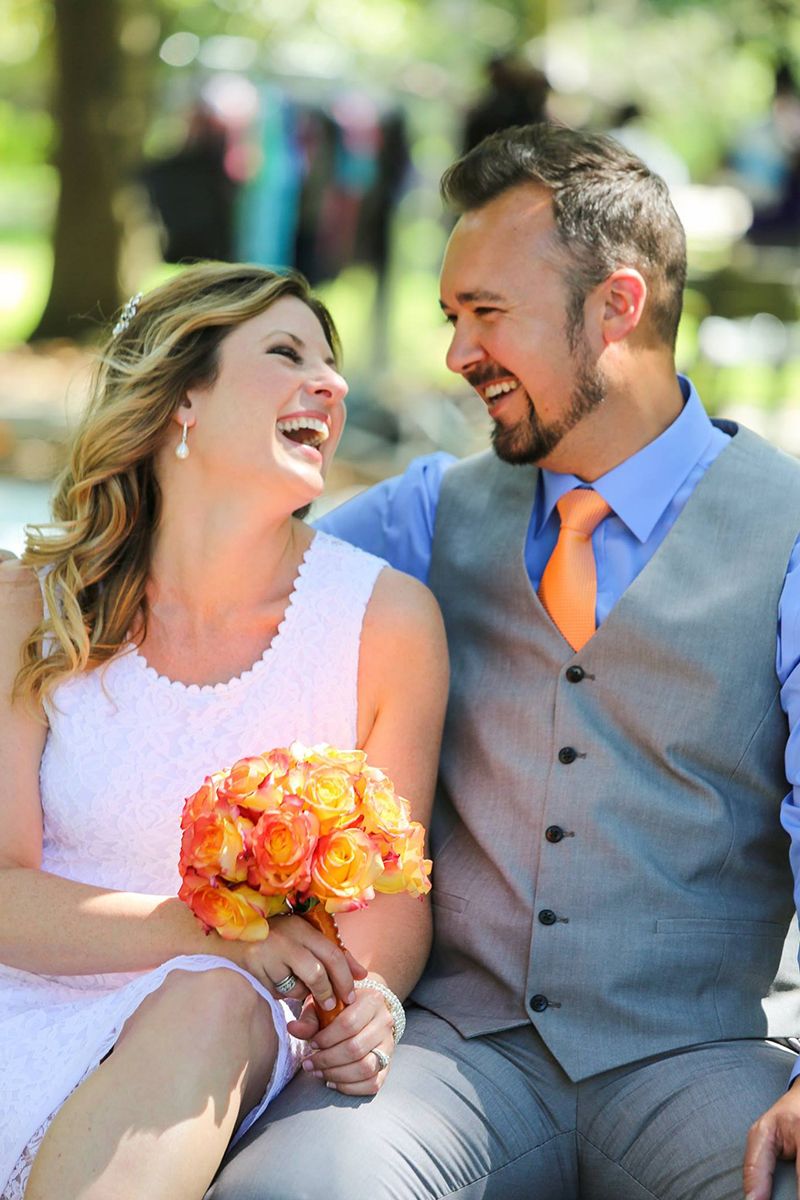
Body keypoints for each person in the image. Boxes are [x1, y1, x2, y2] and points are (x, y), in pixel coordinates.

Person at [204, 126, 800, 1200]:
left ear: (615, 306)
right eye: (451, 316)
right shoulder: (425, 512)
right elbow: (220, 587)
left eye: (487, 314)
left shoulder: (789, 532)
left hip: (696, 1067)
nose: (456, 353)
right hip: (443, 1058)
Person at [0, 263, 448, 1200]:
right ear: (181, 402)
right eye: (286, 353)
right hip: (30, 994)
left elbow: (394, 892)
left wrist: (370, 1005)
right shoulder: (29, 612)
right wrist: (195, 928)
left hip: (229, 1016)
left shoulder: (386, 621)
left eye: (332, 362)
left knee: (205, 999)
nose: (331, 383)